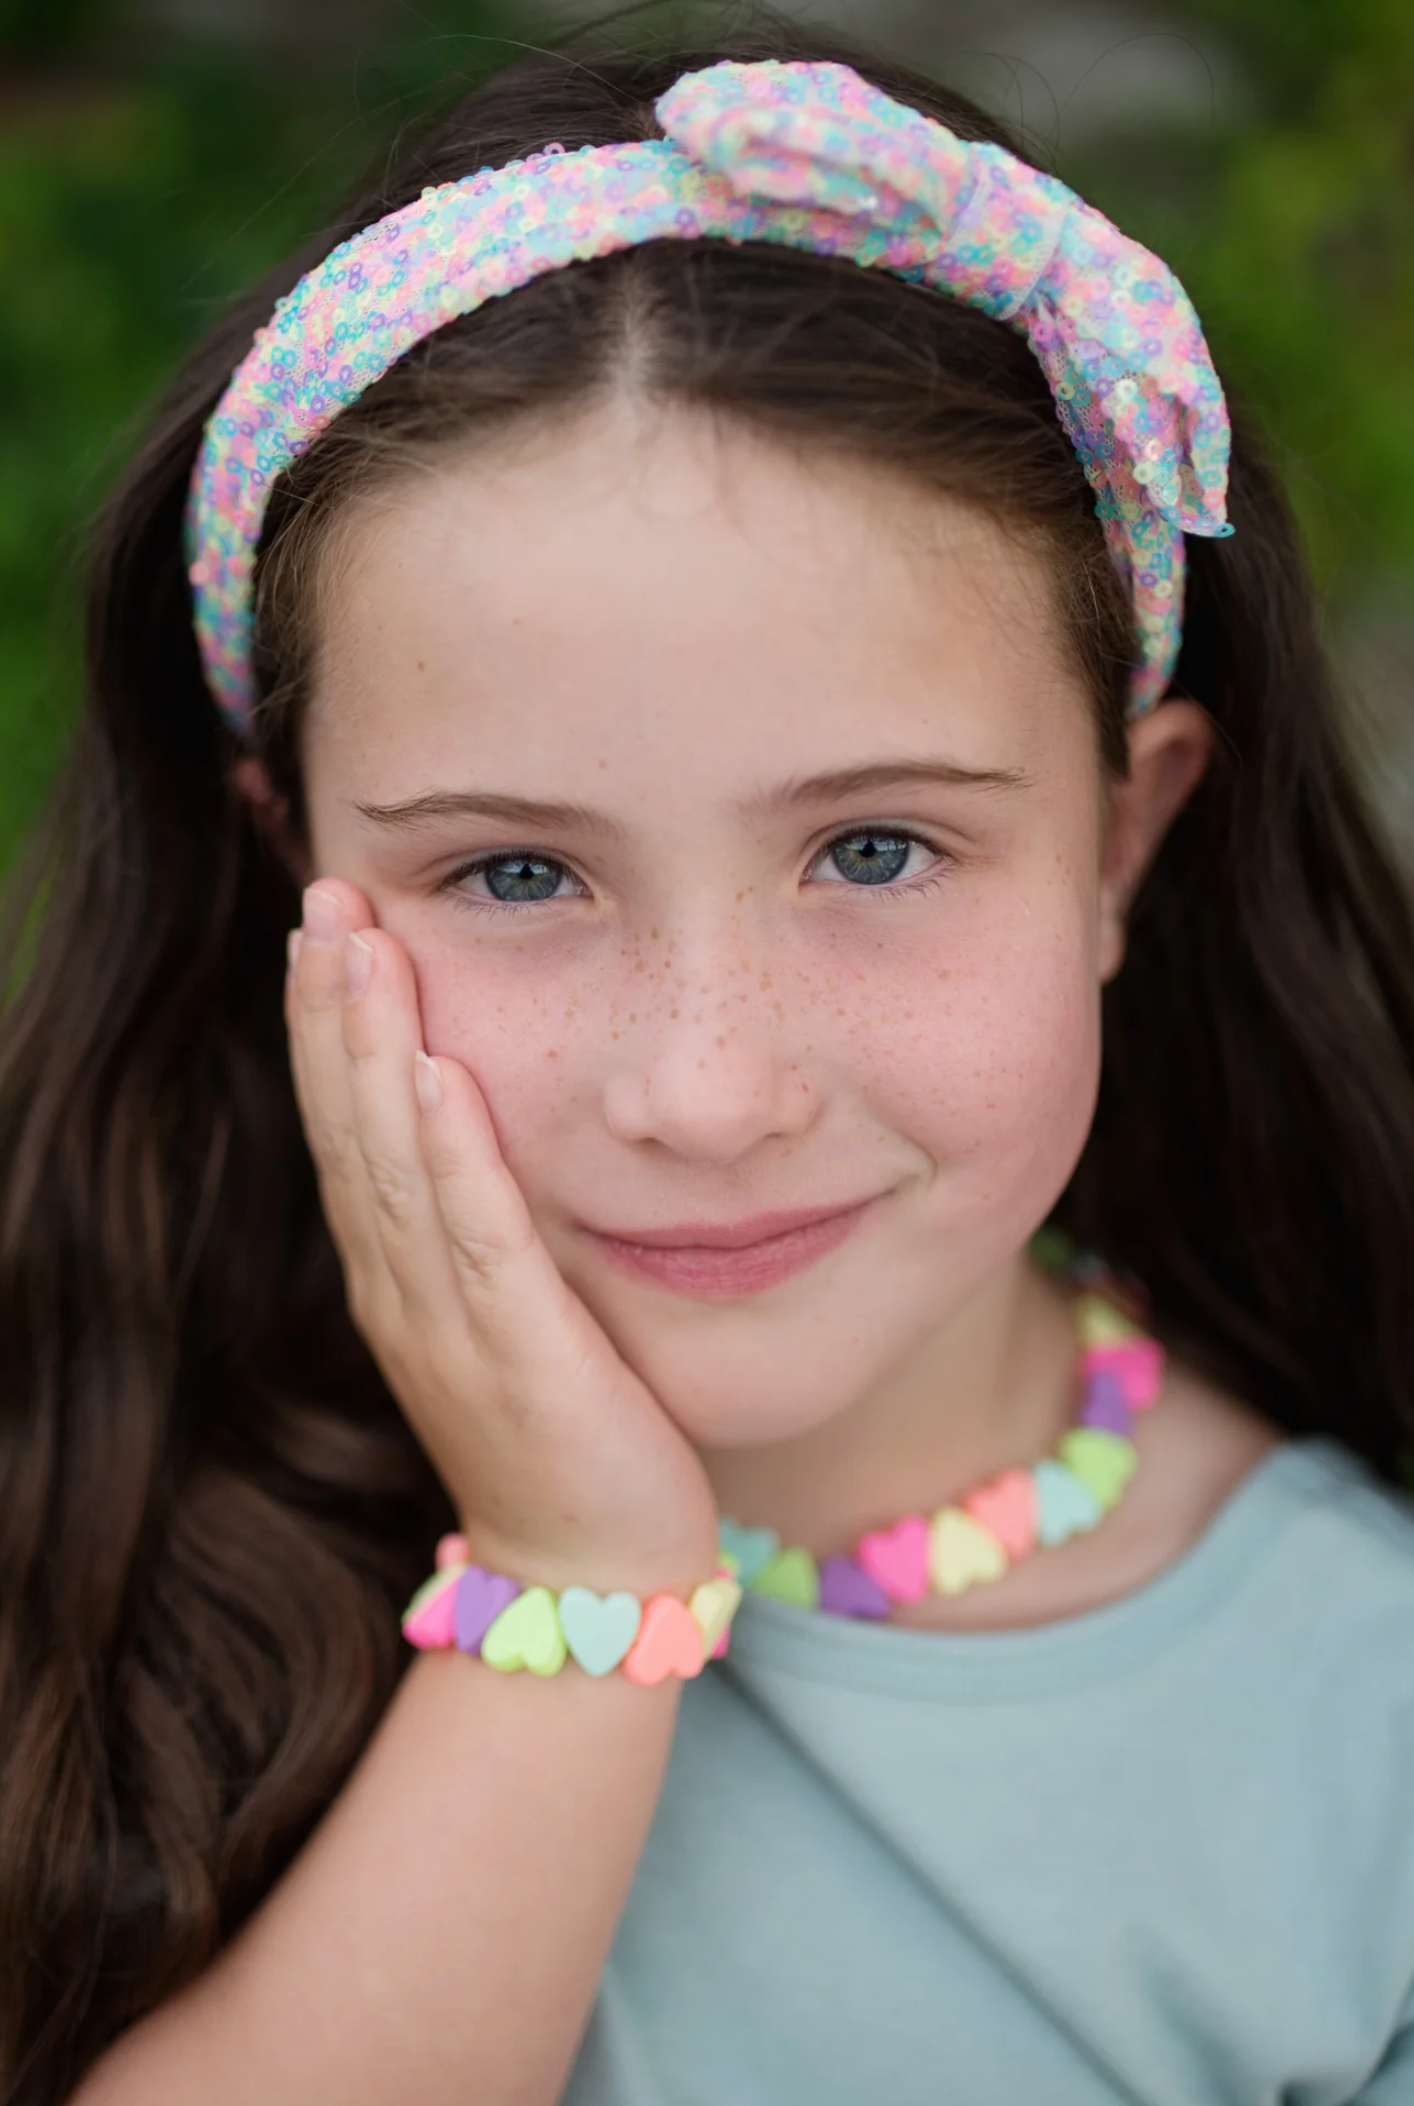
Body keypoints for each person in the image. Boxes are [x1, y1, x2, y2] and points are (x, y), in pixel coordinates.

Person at [3, 17, 1414, 2104]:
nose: (705, 1087)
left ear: (1122, 836)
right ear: (291, 865)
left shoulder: (1356, 1719)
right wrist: (575, 1595)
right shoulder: (75, 1539)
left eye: (872, 848)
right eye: (509, 873)